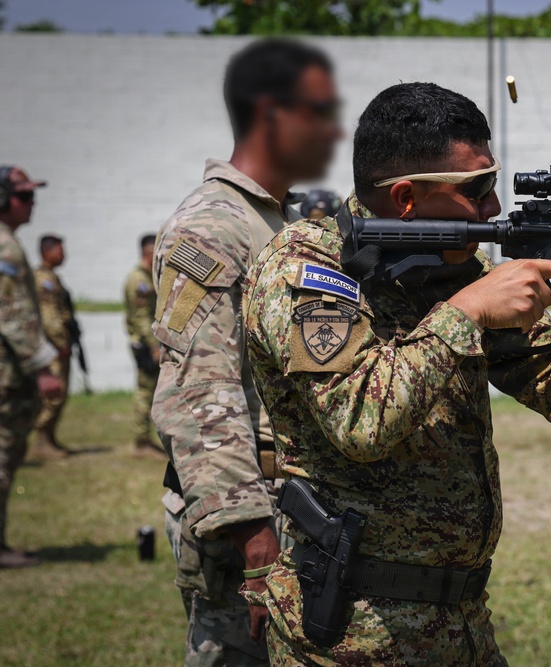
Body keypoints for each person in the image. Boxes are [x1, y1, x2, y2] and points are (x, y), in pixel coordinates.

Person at [242, 82, 551, 666]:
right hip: (353, 632)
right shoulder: (308, 266)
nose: (493, 208)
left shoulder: (451, 270)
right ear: (404, 198)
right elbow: (359, 419)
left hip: (460, 627)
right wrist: (468, 312)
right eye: (476, 190)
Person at [151, 38, 344, 666]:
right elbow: (199, 389)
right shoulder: (212, 225)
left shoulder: (274, 222)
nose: (334, 129)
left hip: (294, 507)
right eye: (320, 111)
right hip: (252, 519)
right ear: (271, 113)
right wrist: (252, 535)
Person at [0, 165, 63, 569]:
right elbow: (11, 313)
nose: (32, 203)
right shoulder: (5, 248)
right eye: (24, 196)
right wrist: (42, 367)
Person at [32, 234, 75, 458]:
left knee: (60, 393)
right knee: (53, 395)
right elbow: (50, 318)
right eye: (60, 250)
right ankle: (40, 441)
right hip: (52, 348)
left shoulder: (52, 277)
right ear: (47, 251)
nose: (63, 255)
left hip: (57, 346)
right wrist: (61, 343)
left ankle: (48, 438)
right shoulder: (44, 280)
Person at [123, 233, 165, 458]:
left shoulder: (145, 278)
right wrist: (154, 346)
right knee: (145, 392)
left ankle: (145, 440)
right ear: (149, 253)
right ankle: (141, 442)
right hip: (145, 345)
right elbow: (141, 318)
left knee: (149, 390)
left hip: (147, 343)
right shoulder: (139, 281)